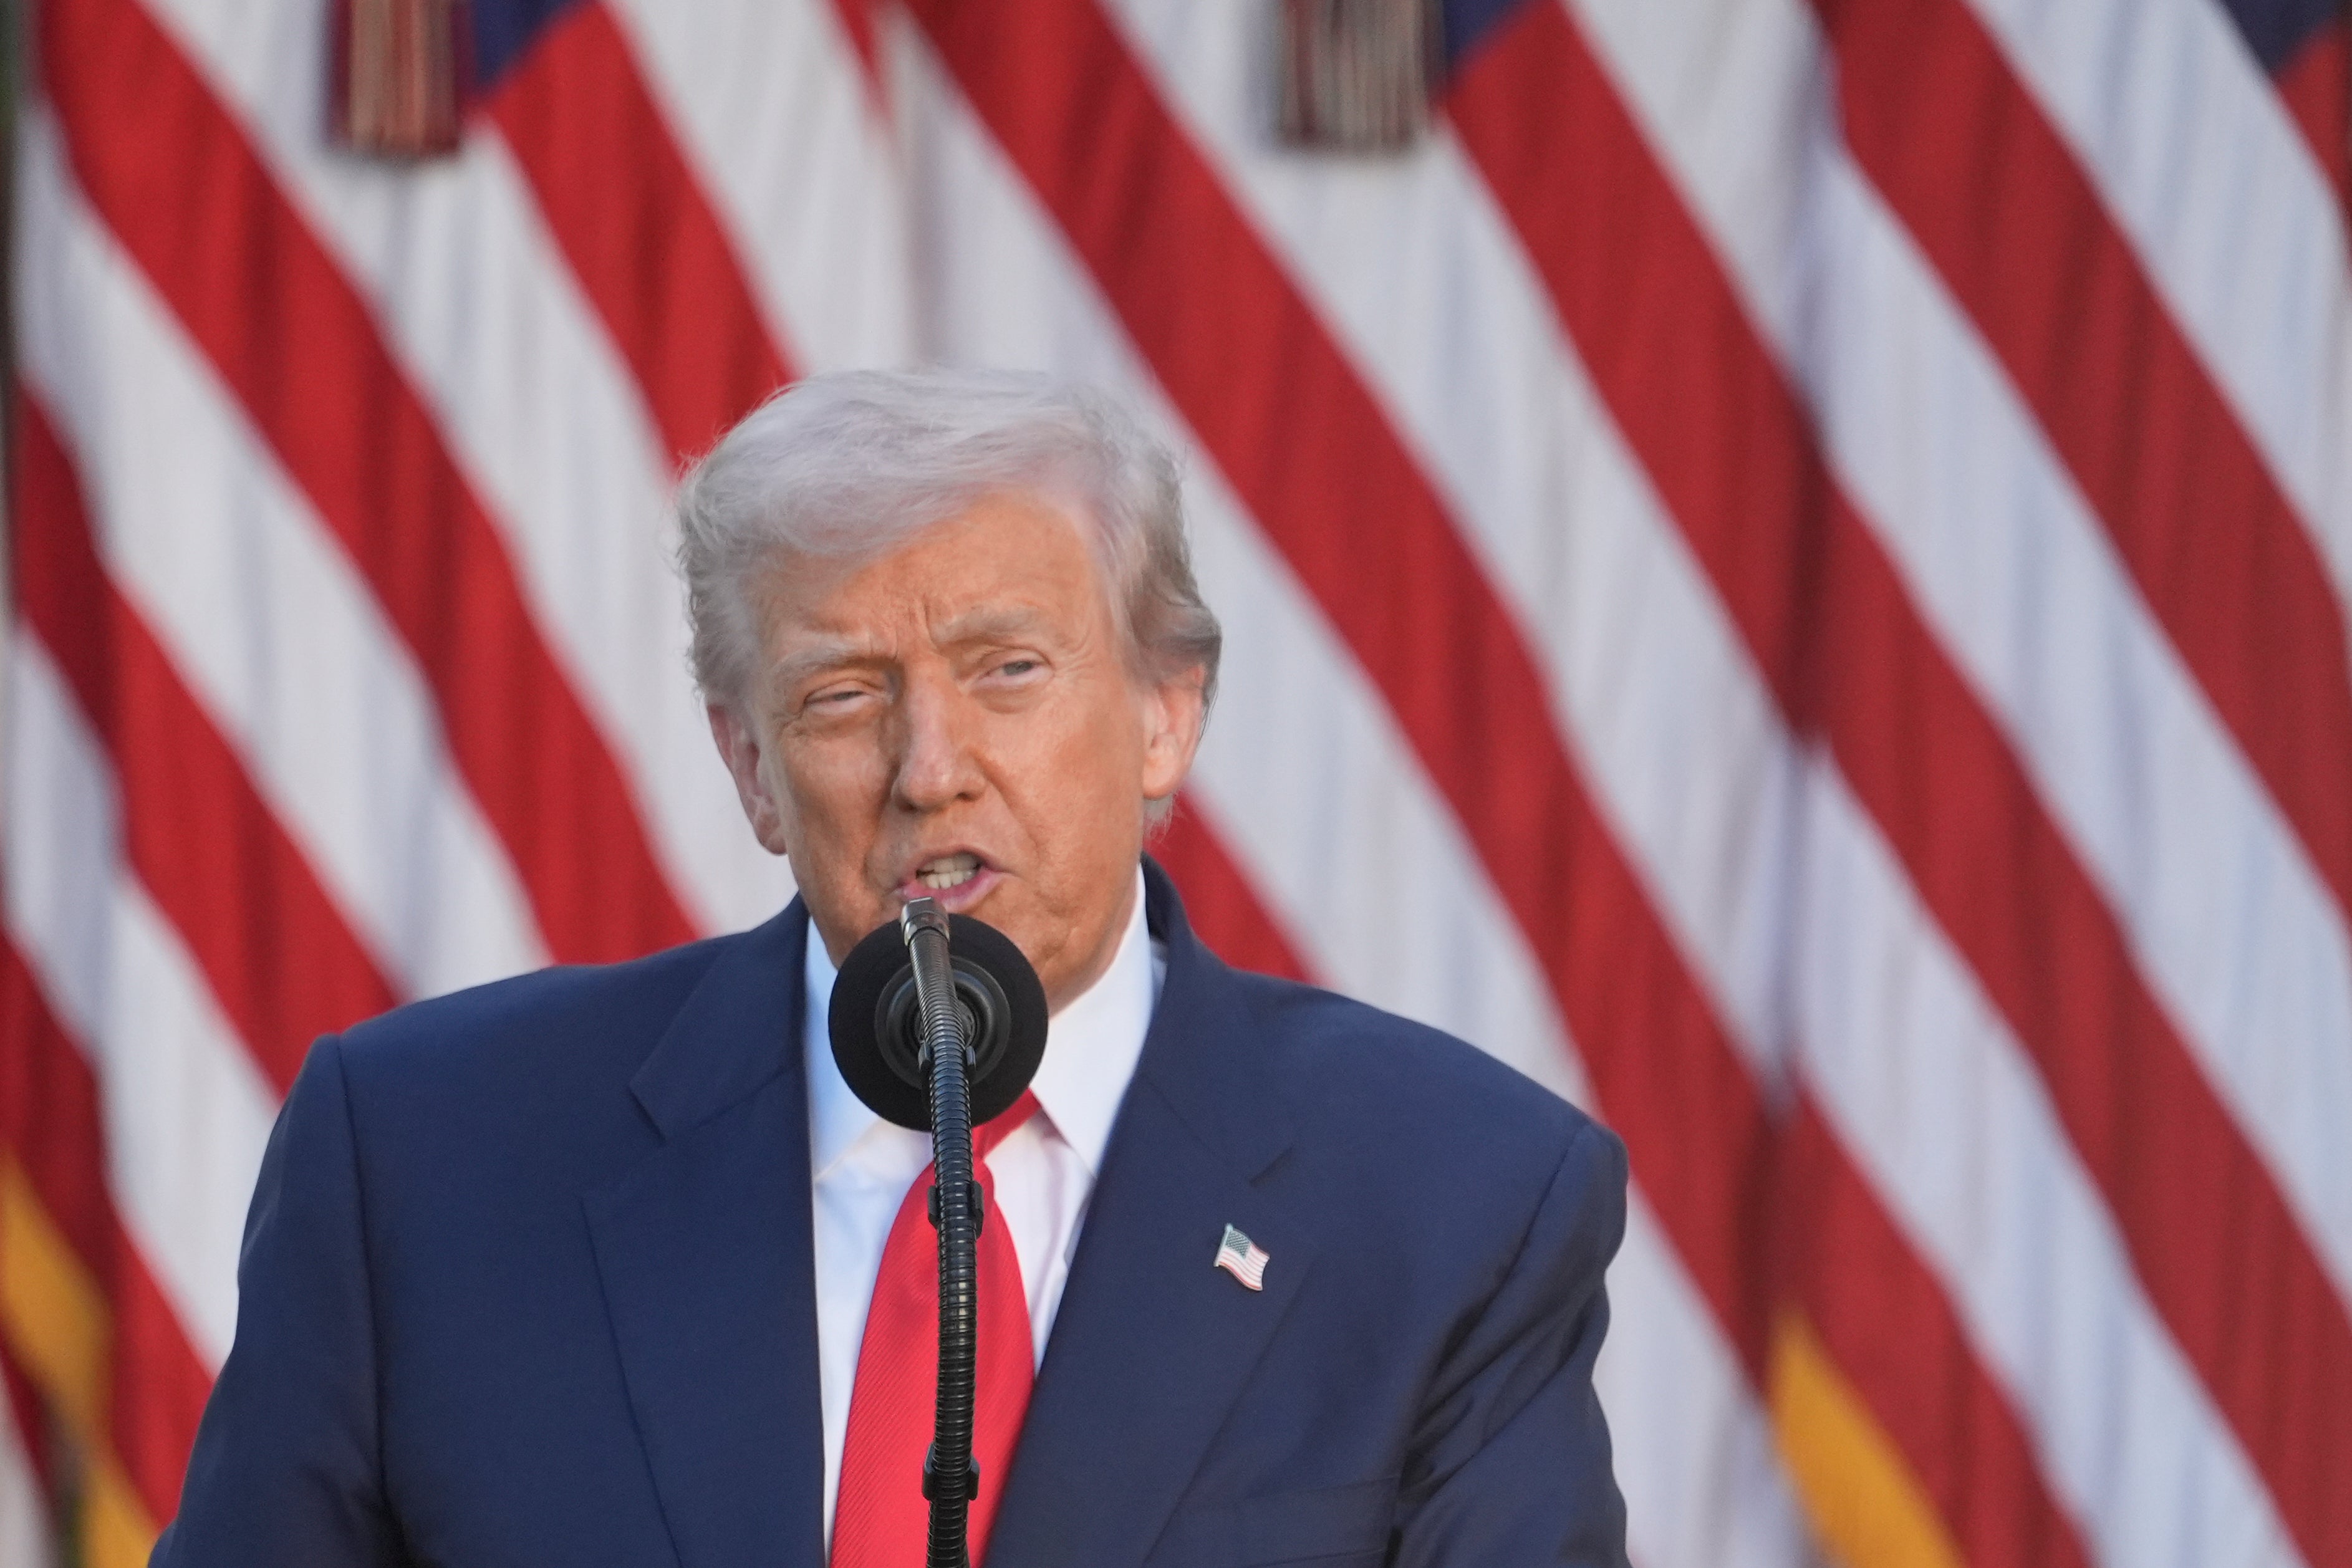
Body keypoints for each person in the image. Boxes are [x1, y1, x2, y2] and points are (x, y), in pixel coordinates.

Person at [153, 370, 1631, 1567]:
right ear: (750, 771)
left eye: (1007, 669)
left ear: (1165, 718)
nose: (931, 772)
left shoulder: (1456, 1198)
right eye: (843, 696)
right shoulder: (424, 1154)